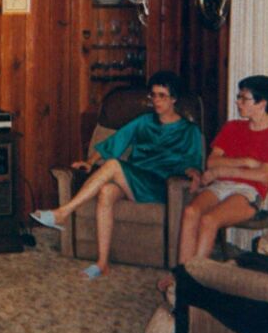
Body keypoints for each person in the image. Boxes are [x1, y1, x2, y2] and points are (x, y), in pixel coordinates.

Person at [31, 71, 203, 279]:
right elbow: (115, 142)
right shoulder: (144, 121)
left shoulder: (189, 130)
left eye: (162, 96)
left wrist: (194, 173)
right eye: (153, 95)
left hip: (160, 185)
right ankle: (102, 263)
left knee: (113, 165)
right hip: (136, 178)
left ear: (174, 99)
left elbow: (193, 162)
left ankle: (63, 212)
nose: (156, 101)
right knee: (106, 192)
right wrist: (90, 162)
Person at [166, 75, 268, 281]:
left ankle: (195, 280)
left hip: (248, 192)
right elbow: (212, 163)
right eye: (239, 97)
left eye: (243, 98)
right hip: (221, 185)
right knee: (191, 211)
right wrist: (246, 162)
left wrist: (222, 170)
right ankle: (180, 276)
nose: (238, 102)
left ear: (262, 103)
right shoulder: (232, 127)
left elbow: (263, 175)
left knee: (209, 220)